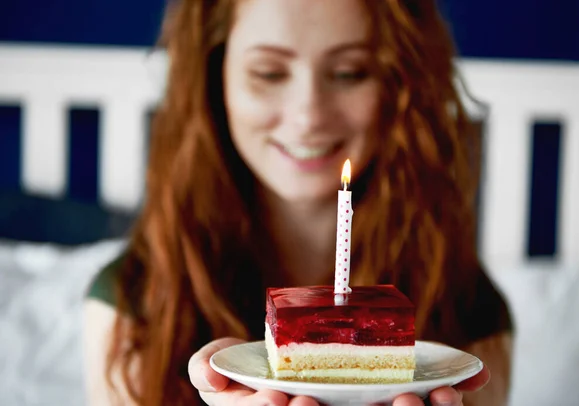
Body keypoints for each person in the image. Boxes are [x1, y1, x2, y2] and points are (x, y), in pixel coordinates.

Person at [84, 0, 513, 405]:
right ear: (215, 78)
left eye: (349, 72)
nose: (309, 116)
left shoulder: (468, 311)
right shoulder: (132, 304)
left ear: (399, 83)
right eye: (269, 73)